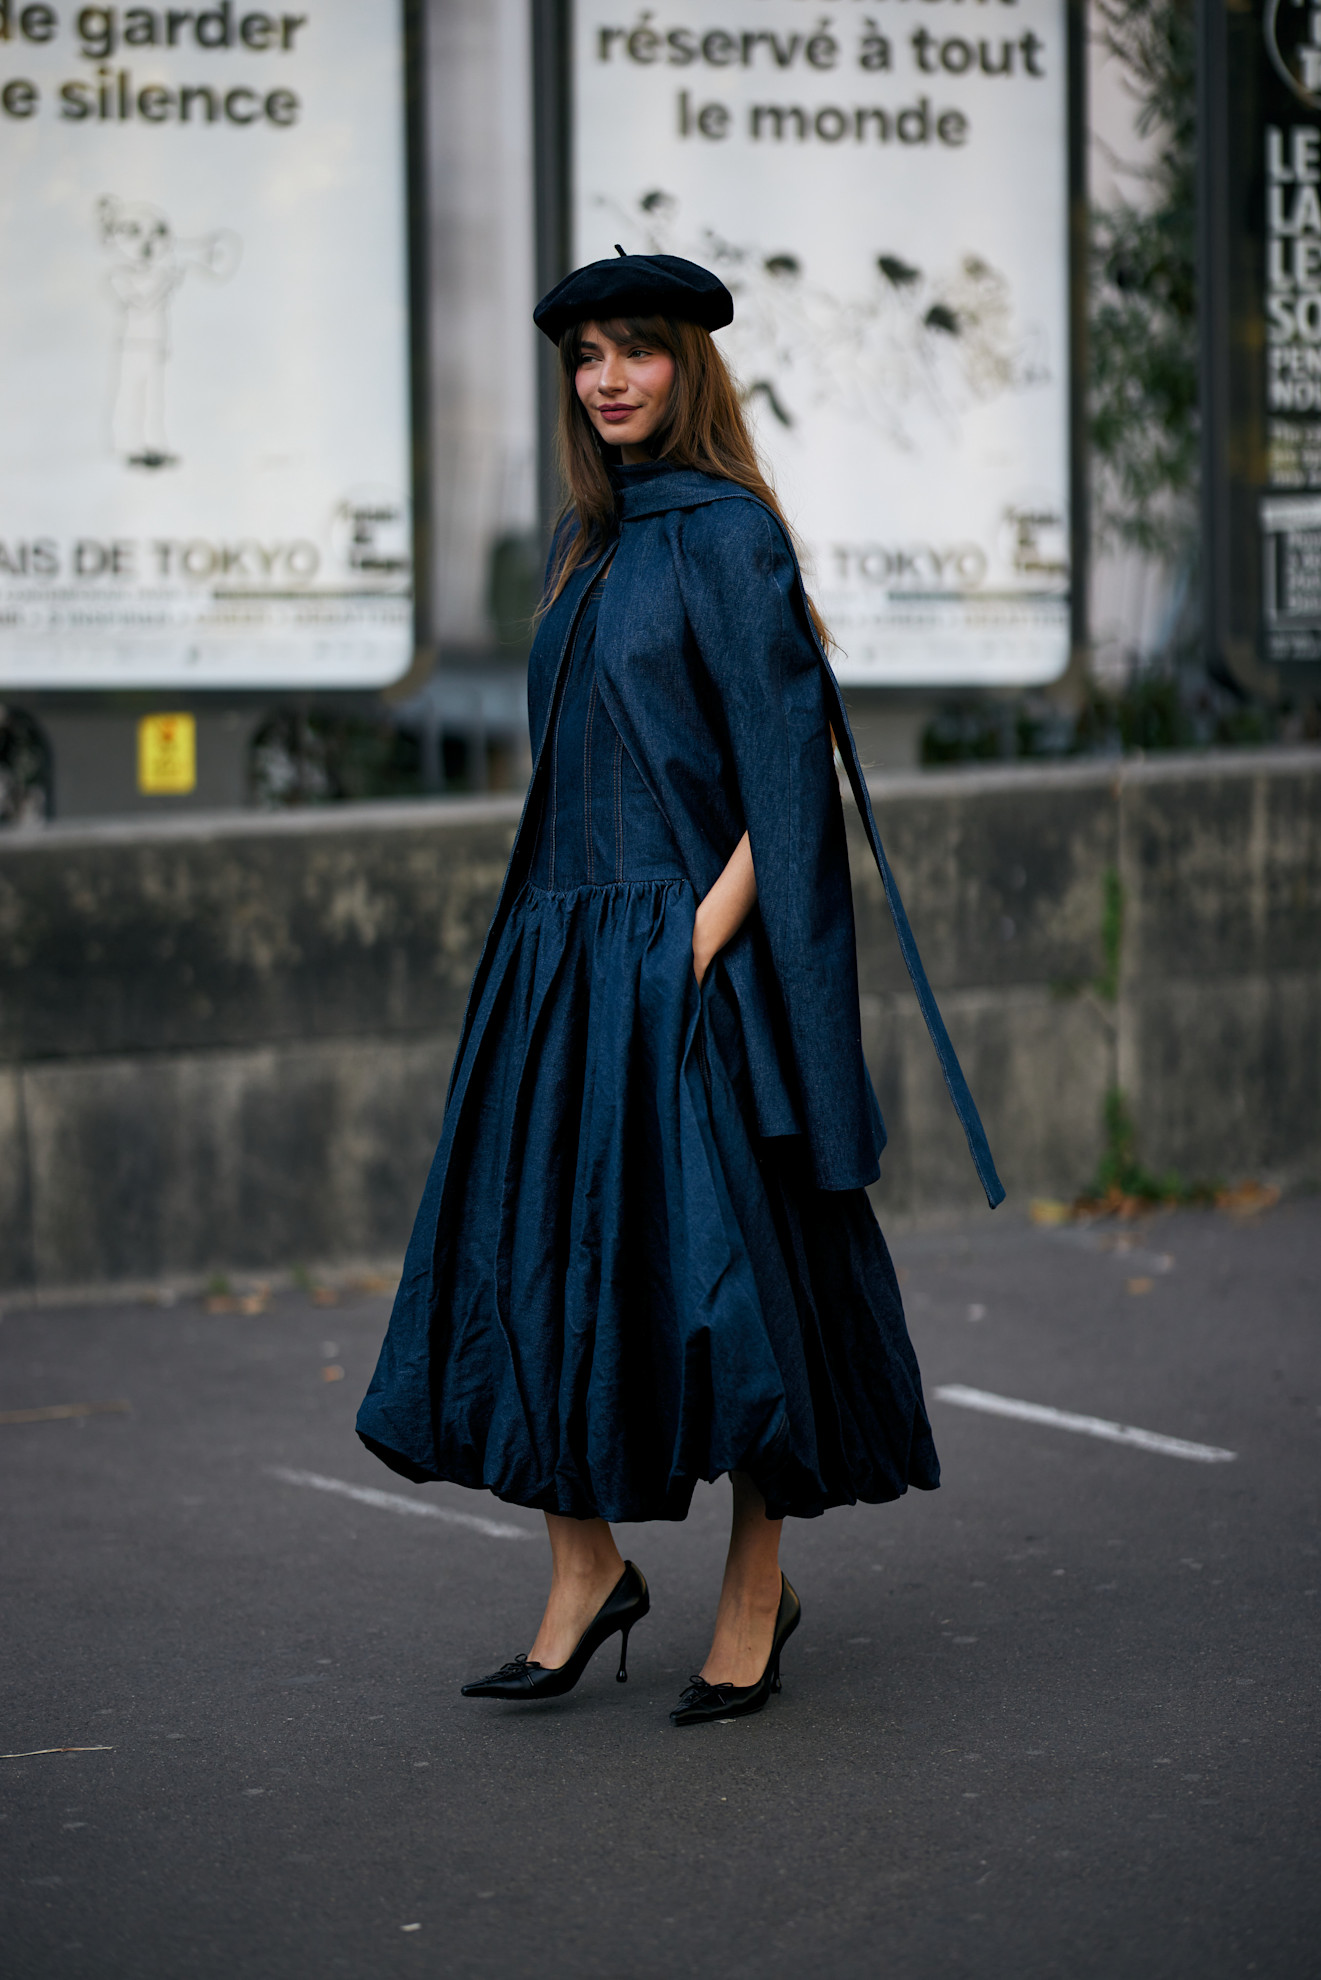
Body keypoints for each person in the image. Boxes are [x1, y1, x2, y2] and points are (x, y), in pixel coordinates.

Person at [357, 250, 1003, 1727]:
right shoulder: (579, 548)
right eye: (586, 355)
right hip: (563, 963)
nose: (606, 379)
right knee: (530, 1275)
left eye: (635, 352)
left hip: (688, 969)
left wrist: (694, 945)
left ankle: (754, 1602)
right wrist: (570, 955)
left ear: (688, 367)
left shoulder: (727, 538)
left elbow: (784, 792)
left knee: (744, 1299)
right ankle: (587, 1572)